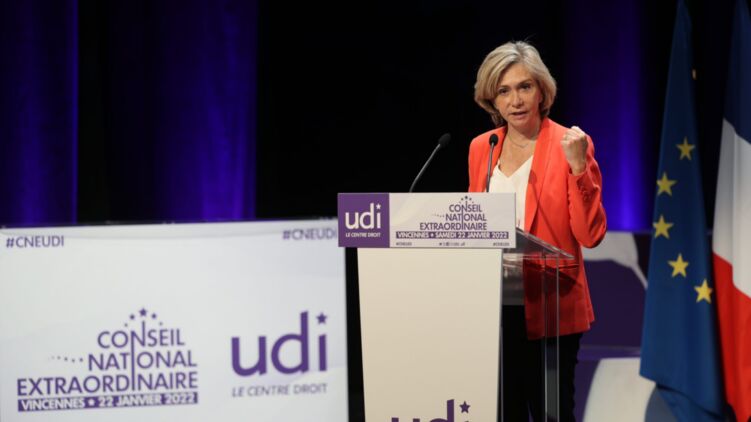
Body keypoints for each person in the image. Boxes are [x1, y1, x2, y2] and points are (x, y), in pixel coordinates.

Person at [468, 41, 607, 421]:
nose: (515, 100)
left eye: (524, 87)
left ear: (542, 91)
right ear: (491, 100)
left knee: (551, 414)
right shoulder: (483, 148)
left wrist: (578, 169)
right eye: (503, 91)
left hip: (551, 306)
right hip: (496, 308)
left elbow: (590, 235)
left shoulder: (570, 146)